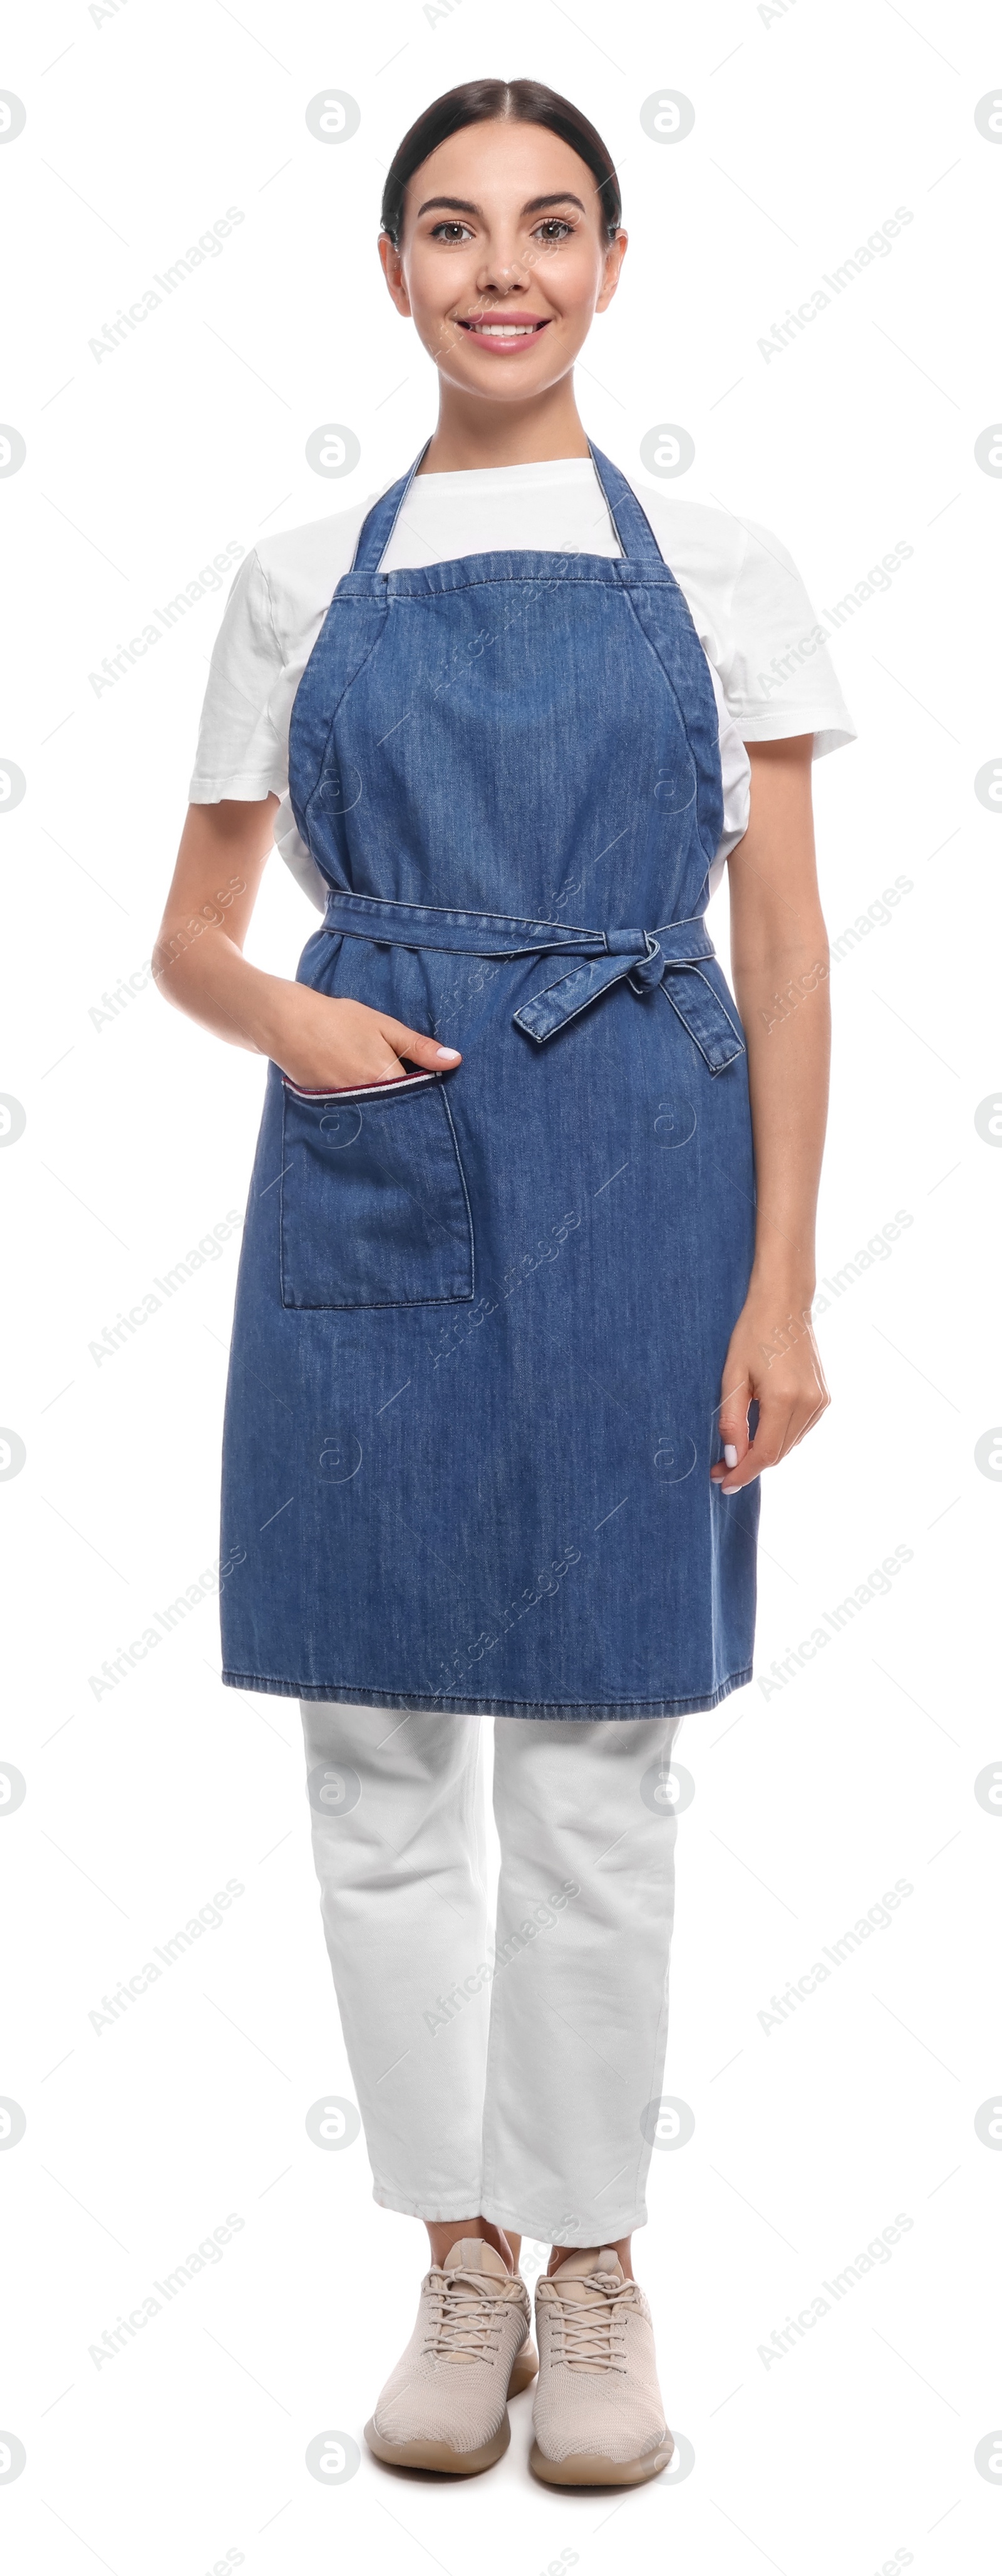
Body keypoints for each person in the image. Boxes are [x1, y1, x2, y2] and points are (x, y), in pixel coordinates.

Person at [155, 77, 852, 2488]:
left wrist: (782, 1285)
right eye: (451, 229)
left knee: (595, 1758)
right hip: (376, 1147)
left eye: (550, 227)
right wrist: (295, 1015)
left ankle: (594, 2264)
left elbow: (779, 939)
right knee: (374, 1756)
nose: (501, 270)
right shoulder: (290, 579)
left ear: (617, 262)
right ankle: (454, 2248)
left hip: (644, 1153)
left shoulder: (728, 563)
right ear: (393, 275)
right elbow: (187, 931)